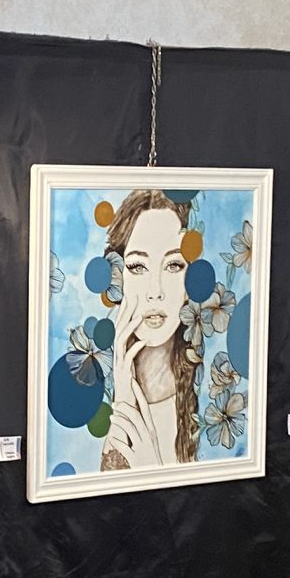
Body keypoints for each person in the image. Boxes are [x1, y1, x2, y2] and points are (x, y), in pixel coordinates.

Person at [99, 190, 199, 471]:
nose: (155, 291)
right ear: (117, 277)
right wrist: (123, 398)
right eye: (138, 267)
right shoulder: (98, 388)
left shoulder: (205, 393)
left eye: (173, 265)